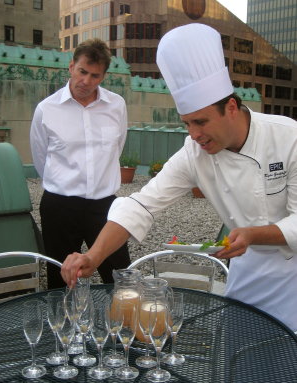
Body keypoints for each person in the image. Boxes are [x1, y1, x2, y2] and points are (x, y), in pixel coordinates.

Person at [61, 24, 297, 331]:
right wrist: (93, 256)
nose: (194, 134)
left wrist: (253, 234)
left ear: (231, 108)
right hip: (248, 275)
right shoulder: (194, 152)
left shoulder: (287, 137)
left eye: (201, 122)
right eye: (186, 124)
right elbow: (142, 204)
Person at [30, 38, 131, 289]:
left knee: (119, 277)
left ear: (104, 76)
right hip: (60, 207)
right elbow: (41, 158)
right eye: (82, 71)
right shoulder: (46, 109)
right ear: (71, 66)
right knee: (60, 281)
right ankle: (62, 327)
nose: (86, 81)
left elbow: (117, 147)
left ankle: (121, 326)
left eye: (95, 76)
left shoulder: (116, 106)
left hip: (105, 206)